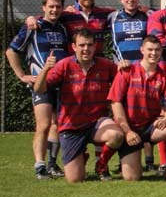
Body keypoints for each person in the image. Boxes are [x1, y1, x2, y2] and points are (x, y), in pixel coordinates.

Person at [33, 28, 123, 184]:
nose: (86, 49)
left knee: (116, 135)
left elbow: (124, 81)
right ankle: (81, 154)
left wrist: (124, 67)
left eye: (89, 45)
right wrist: (46, 69)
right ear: (74, 47)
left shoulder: (106, 65)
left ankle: (101, 164)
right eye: (82, 45)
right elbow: (39, 89)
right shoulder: (63, 65)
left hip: (97, 123)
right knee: (75, 179)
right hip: (71, 127)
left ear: (95, 46)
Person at [108, 36, 166, 182]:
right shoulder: (127, 71)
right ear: (142, 50)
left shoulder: (164, 77)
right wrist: (127, 131)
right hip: (130, 129)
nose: (153, 53)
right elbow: (115, 103)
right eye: (150, 49)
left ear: (161, 51)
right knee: (132, 178)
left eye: (157, 50)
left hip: (150, 127)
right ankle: (103, 163)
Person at [6, 0, 69, 179]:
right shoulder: (33, 26)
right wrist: (21, 75)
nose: (54, 10)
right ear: (43, 7)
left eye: (58, 6)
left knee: (57, 124)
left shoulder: (63, 28)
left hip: (61, 83)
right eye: (51, 6)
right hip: (41, 83)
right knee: (43, 124)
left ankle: (52, 164)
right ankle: (39, 166)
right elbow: (11, 51)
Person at [108, 0, 157, 171]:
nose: (130, 0)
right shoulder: (112, 17)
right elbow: (91, 20)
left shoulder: (148, 15)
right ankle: (123, 159)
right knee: (124, 113)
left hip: (145, 70)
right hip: (124, 71)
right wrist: (74, 9)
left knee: (147, 112)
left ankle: (150, 160)